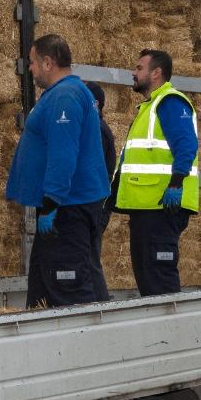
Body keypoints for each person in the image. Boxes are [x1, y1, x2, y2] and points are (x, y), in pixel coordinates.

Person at [4, 34, 110, 307]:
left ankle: (83, 341)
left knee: (69, 285)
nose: (29, 68)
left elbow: (63, 153)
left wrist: (51, 203)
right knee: (43, 285)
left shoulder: (65, 96)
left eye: (32, 62)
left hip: (67, 208)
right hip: (64, 206)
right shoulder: (61, 94)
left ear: (48, 62)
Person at [113, 48, 200, 296]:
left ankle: (172, 333)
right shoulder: (148, 108)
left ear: (156, 73)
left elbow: (187, 145)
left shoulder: (170, 102)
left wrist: (175, 185)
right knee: (149, 280)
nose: (133, 72)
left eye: (139, 68)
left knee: (159, 281)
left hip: (162, 206)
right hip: (147, 207)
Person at [88, 81, 116, 301]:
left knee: (90, 259)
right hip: (97, 202)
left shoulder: (96, 129)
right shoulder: (96, 127)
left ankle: (102, 306)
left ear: (95, 103)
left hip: (96, 204)